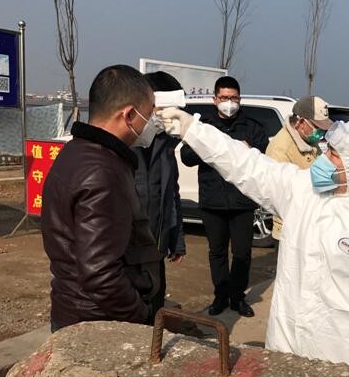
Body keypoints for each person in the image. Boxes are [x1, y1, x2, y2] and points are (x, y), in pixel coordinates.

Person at [158, 108, 349, 373]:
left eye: (334, 154)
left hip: (344, 357)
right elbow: (245, 164)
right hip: (285, 345)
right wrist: (193, 130)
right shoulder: (301, 191)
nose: (324, 158)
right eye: (328, 150)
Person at [42, 65, 161, 331]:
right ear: (129, 115)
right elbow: (100, 274)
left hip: (72, 307)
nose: (151, 123)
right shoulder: (103, 172)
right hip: (97, 321)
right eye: (149, 114)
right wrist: (142, 315)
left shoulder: (76, 151)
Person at [179, 76, 269, 317]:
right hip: (213, 199)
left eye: (234, 98)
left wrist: (246, 149)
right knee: (216, 251)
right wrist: (207, 147)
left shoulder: (252, 127)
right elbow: (186, 157)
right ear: (215, 99)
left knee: (242, 253)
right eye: (224, 98)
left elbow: (263, 158)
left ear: (240, 99)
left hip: (242, 200)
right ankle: (220, 296)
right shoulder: (204, 126)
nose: (229, 103)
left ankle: (238, 297)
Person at [134, 71, 187, 314]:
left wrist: (176, 240)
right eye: (166, 109)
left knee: (155, 308)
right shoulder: (124, 145)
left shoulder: (165, 144)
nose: (171, 116)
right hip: (129, 254)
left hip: (156, 247)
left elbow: (172, 195)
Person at [264, 95, 332, 239]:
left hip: (311, 223)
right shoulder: (281, 149)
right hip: (292, 229)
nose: (321, 133)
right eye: (318, 128)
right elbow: (282, 194)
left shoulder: (308, 140)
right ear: (301, 122)